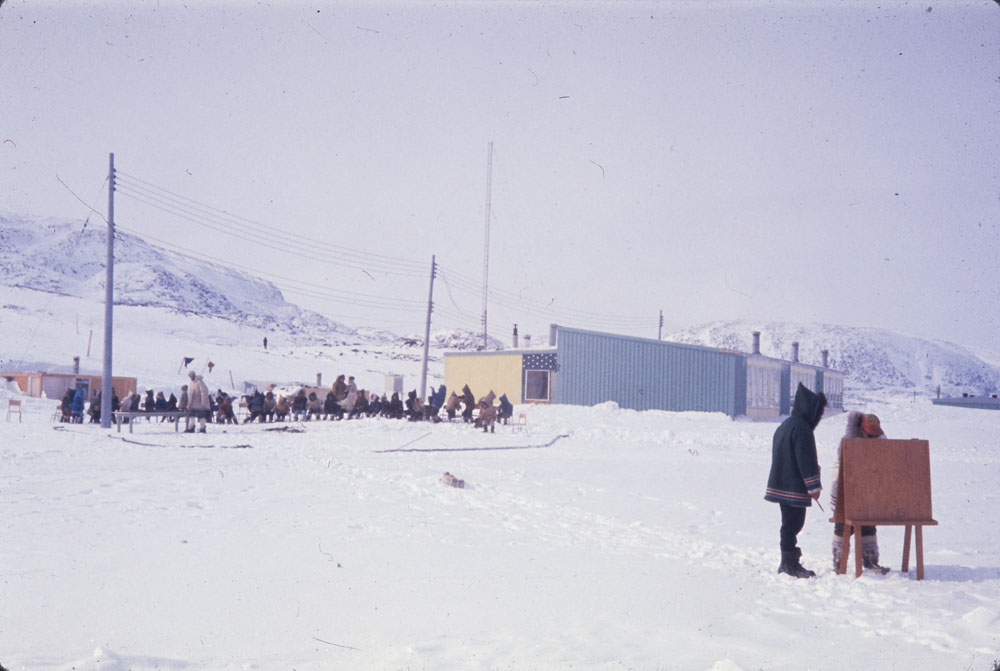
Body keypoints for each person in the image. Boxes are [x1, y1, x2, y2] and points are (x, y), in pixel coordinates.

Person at [764, 382, 827, 578]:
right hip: (793, 487)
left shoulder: (786, 425)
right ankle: (789, 563)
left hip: (781, 485)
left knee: (788, 524)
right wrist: (814, 486)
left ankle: (788, 561)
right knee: (793, 524)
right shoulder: (802, 429)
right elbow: (806, 460)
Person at [831, 411, 889, 573]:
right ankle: (839, 562)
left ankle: (870, 561)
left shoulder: (880, 441)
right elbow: (842, 468)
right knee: (843, 525)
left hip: (868, 491)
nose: (871, 439)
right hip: (843, 489)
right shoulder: (847, 442)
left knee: (869, 525)